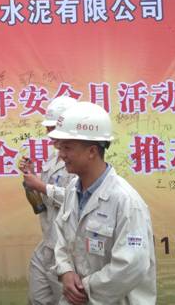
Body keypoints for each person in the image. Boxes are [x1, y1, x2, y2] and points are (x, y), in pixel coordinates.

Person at [49, 102, 156, 304]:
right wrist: (65, 271)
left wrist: (86, 288)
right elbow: (61, 238)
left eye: (67, 147)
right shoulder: (72, 190)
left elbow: (131, 265)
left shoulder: (126, 201)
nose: (61, 155)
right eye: (60, 147)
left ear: (92, 151)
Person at [17, 96, 77, 304]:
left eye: (53, 127)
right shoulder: (53, 159)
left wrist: (41, 185)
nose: (48, 132)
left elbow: (77, 199)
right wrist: (31, 178)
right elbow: (41, 203)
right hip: (48, 242)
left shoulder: (78, 162)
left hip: (68, 248)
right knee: (37, 298)